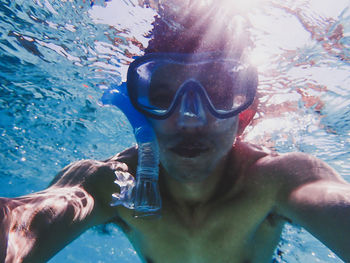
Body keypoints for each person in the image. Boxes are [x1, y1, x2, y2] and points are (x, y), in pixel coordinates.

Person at [1, 2, 350, 263]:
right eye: (165, 97)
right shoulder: (110, 182)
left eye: (215, 95)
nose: (190, 119)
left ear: (244, 112)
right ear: (140, 109)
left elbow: (333, 201)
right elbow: (25, 222)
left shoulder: (280, 178)